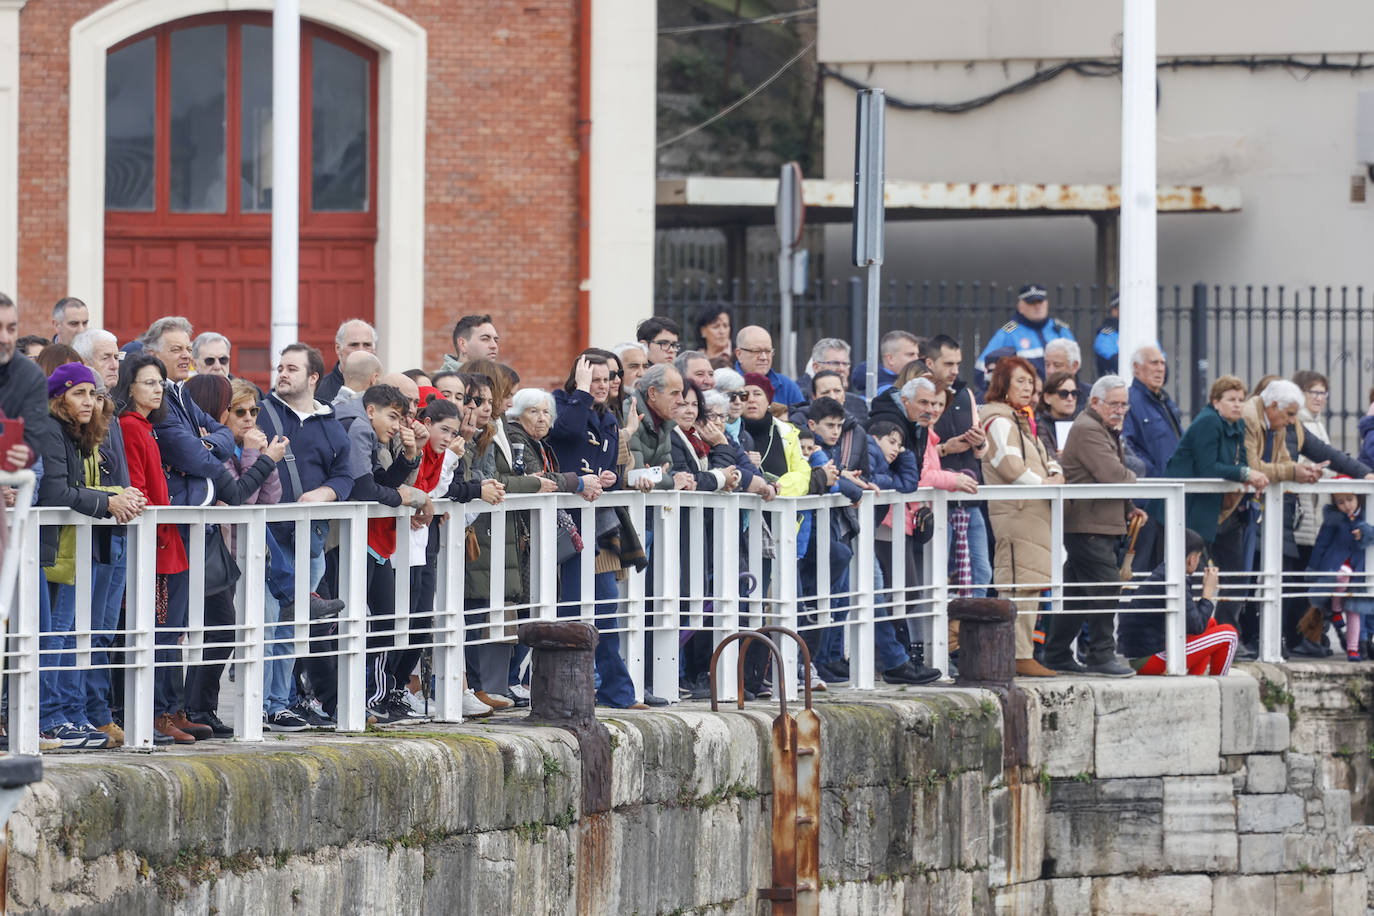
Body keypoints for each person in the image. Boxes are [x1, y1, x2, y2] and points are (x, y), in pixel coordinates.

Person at [41, 362, 145, 749]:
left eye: (94, 394)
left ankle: (68, 714)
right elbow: (55, 492)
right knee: (55, 638)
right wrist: (108, 502)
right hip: (56, 549)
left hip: (74, 548)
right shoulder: (52, 431)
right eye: (79, 393)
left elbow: (83, 486)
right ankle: (50, 718)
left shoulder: (77, 434)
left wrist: (117, 494)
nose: (90, 401)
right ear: (59, 397)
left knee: (72, 635)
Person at [182, 374, 291, 735]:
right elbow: (239, 495)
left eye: (253, 411)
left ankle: (200, 708)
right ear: (221, 415)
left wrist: (262, 458)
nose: (248, 418)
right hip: (211, 549)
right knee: (214, 629)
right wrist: (252, 454)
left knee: (221, 629)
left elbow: (269, 498)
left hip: (232, 553)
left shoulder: (245, 449)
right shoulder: (218, 450)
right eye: (239, 411)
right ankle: (193, 708)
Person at [255, 343, 354, 720]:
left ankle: (279, 705)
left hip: (308, 537)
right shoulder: (262, 414)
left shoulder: (330, 423)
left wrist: (324, 493)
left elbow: (345, 475)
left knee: (291, 628)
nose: (282, 373)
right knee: (263, 622)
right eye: (280, 367)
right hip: (265, 539)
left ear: (313, 377)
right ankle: (257, 705)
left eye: (291, 368)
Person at [548, 351, 646, 709]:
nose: (604, 386)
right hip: (559, 523)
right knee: (563, 608)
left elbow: (611, 471)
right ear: (578, 376)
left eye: (608, 379)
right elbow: (567, 433)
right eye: (596, 378)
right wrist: (583, 391)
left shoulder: (607, 419)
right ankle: (559, 688)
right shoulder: (562, 403)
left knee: (605, 607)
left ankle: (617, 692)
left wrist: (609, 478)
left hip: (596, 529)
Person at [463, 362, 551, 710]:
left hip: (490, 532)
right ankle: (466, 687)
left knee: (480, 610)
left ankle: (478, 686)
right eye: (507, 395)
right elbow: (490, 479)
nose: (497, 404)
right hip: (476, 532)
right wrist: (534, 482)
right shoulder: (489, 433)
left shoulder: (491, 431)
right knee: (466, 610)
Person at [1044, 375, 1140, 677]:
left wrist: (1129, 508)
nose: (1120, 409)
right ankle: (1100, 654)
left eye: (1124, 404)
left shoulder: (1102, 428)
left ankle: (1057, 654)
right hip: (1087, 525)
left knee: (1078, 594)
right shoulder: (1088, 429)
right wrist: (1135, 479)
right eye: (1114, 403)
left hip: (1096, 522)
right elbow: (1113, 475)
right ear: (1095, 402)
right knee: (1108, 585)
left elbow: (1112, 477)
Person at [980, 356, 1062, 677]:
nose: (1028, 388)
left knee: (1031, 584)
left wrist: (1054, 476)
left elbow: (1047, 458)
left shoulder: (1021, 420)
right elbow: (1011, 468)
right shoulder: (999, 420)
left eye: (1031, 382)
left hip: (1033, 511)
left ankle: (1024, 652)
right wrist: (1046, 483)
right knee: (1017, 584)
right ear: (1003, 384)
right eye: (1020, 382)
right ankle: (1016, 654)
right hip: (1017, 512)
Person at [1118, 529, 1239, 676]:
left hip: (1143, 654)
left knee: (1211, 624)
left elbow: (1195, 624)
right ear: (1192, 559)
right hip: (1150, 660)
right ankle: (1221, 685)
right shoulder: (1176, 579)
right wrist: (1207, 592)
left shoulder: (1165, 572)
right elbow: (1197, 626)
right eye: (1199, 558)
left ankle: (1195, 679)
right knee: (1229, 635)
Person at [1305, 489, 1374, 662]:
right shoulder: (1333, 520)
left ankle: (1354, 649)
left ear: (1359, 497)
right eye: (1340, 502)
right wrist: (1313, 568)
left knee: (1355, 611)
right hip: (1336, 564)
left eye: (1350, 499)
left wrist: (1365, 532)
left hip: (1359, 569)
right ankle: (1336, 611)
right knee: (1341, 578)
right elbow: (1321, 543)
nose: (1346, 506)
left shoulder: (1368, 515)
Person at [974, 284, 1075, 388]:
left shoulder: (1060, 330)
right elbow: (981, 369)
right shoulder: (1008, 333)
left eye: (1040, 302)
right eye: (1031, 302)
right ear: (1020, 307)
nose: (1037, 306)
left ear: (1046, 303)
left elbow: (1075, 365)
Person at [734, 326, 803, 406]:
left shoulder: (786, 386)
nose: (764, 357)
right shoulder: (726, 385)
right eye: (757, 351)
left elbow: (802, 414)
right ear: (739, 354)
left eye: (768, 351)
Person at [315, 319, 378, 404]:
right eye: (354, 345)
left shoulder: (385, 392)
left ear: (374, 350)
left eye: (367, 345)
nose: (361, 350)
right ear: (338, 349)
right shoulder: (317, 391)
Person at [850, 330, 919, 398]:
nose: (917, 359)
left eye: (917, 354)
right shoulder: (888, 392)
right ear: (890, 359)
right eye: (910, 354)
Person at [1036, 371, 1080, 461]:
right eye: (1063, 394)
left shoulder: (1082, 424)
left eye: (1074, 393)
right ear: (1047, 398)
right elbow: (1049, 459)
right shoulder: (1039, 425)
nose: (1070, 398)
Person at [694, 304, 733, 368]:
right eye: (716, 327)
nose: (722, 331)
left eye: (725, 326)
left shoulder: (738, 356)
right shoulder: (694, 357)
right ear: (703, 331)